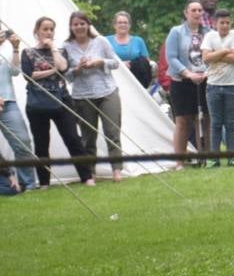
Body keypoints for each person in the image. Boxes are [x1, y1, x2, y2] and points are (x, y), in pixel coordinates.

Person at [21, 16, 95, 187]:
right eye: (44, 29)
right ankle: (44, 182)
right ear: (36, 31)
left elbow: (63, 68)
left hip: (62, 101)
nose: (48, 32)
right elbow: (28, 75)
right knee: (41, 144)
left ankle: (87, 177)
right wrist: (51, 71)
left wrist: (53, 48)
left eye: (51, 29)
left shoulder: (61, 51)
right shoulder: (28, 52)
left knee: (73, 139)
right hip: (37, 103)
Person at [63, 11, 124, 181]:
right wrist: (77, 69)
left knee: (112, 132)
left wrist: (100, 62)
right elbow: (65, 75)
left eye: (82, 23)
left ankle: (117, 170)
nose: (79, 27)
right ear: (71, 27)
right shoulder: (66, 46)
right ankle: (90, 172)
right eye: (75, 24)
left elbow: (115, 63)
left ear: (88, 25)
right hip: (82, 96)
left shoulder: (101, 41)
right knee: (88, 137)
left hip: (107, 91)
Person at [166, 0, 209, 170]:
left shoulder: (208, 32)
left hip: (204, 79)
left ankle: (207, 156)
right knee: (183, 121)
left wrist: (206, 72)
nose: (197, 13)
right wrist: (188, 73)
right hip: (182, 82)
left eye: (200, 10)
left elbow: (211, 54)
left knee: (206, 119)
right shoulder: (176, 32)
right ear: (186, 13)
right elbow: (172, 57)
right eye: (194, 10)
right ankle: (179, 161)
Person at [202, 9, 234, 167]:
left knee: (231, 122)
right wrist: (225, 50)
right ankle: (214, 158)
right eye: (222, 23)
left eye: (227, 22)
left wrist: (216, 54)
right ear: (215, 23)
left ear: (231, 23)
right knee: (216, 123)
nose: (225, 25)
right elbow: (206, 58)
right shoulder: (209, 36)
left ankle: (232, 157)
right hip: (213, 85)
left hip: (232, 85)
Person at [0, 28, 39, 192]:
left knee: (23, 142)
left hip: (8, 102)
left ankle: (28, 184)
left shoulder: (4, 53)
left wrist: (15, 48)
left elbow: (15, 72)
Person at [108, 11, 156, 91]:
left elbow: (146, 62)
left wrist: (132, 64)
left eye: (125, 22)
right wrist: (121, 65)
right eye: (119, 22)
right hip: (113, 80)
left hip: (135, 80)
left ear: (129, 25)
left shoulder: (138, 41)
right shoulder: (106, 40)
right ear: (114, 25)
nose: (122, 25)